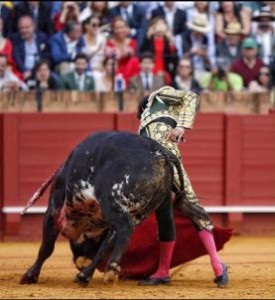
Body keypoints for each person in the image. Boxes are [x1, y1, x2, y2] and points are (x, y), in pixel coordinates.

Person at [137, 86, 228, 287]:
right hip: (151, 168)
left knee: (192, 207)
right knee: (164, 216)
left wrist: (181, 127)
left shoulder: (159, 95)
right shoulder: (145, 125)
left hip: (168, 160)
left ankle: (218, 266)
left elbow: (191, 96)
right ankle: (162, 272)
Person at [10, 15, 51, 81]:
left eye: (27, 27)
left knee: (55, 79)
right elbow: (17, 58)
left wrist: (35, 71)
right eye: (21, 28)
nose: (24, 30)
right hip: (23, 71)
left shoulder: (43, 37)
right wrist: (24, 71)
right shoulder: (15, 39)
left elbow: (46, 57)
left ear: (33, 26)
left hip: (40, 70)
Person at [140, 17, 178, 82]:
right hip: (150, 69)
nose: (160, 27)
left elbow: (174, 57)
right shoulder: (149, 39)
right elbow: (143, 53)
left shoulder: (167, 40)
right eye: (158, 24)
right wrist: (148, 37)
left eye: (162, 24)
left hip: (165, 70)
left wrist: (171, 41)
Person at [105, 17, 139, 84]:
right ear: (113, 29)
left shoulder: (133, 42)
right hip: (115, 71)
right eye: (117, 28)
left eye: (122, 27)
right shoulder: (109, 43)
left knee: (134, 61)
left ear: (127, 28)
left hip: (130, 71)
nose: (120, 30)